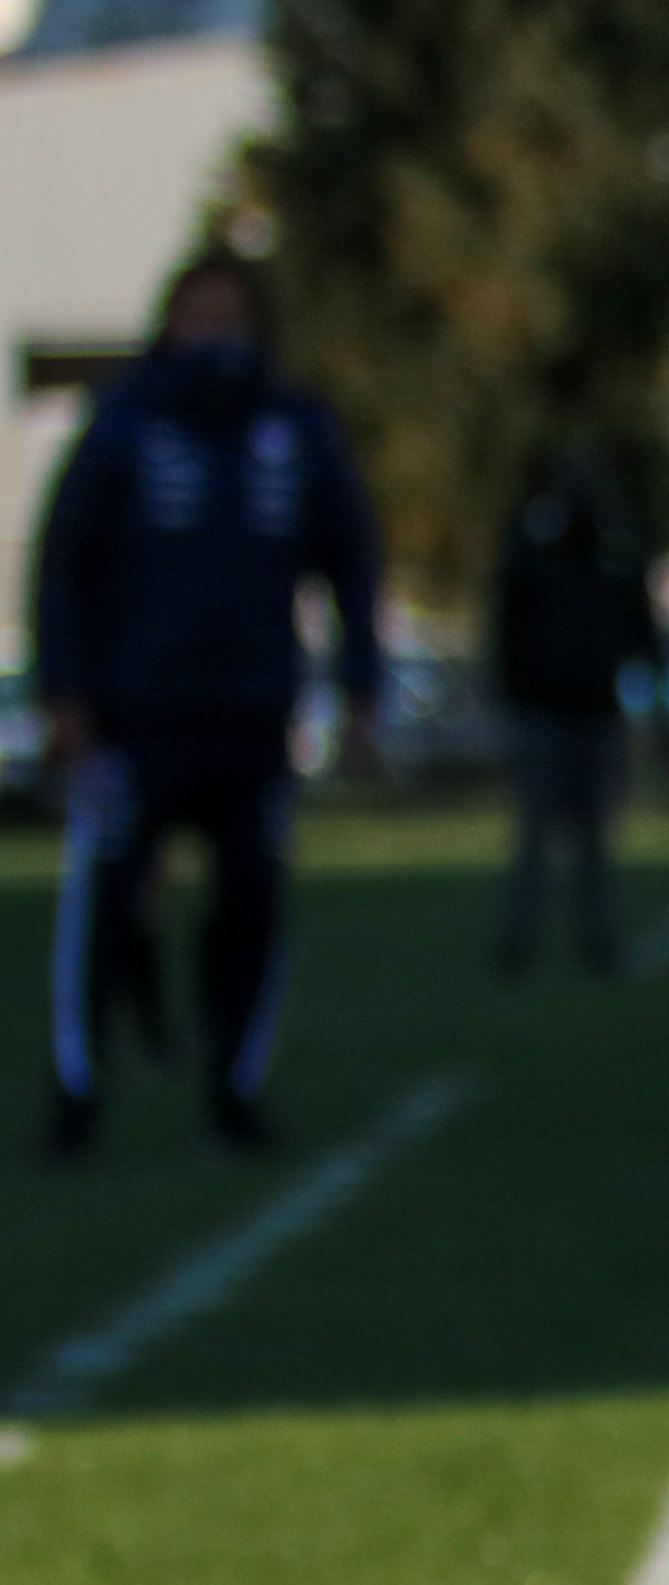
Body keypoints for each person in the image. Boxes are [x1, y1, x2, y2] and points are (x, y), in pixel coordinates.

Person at [28, 245, 380, 1156]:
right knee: (107, 909)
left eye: (235, 316)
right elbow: (63, 564)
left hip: (251, 717)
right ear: (170, 323)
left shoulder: (296, 429)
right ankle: (79, 1093)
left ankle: (234, 1089)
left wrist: (360, 692)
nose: (220, 335)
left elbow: (351, 560)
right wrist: (63, 693)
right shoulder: (124, 423)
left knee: (251, 907)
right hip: (136, 717)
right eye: (203, 315)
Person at [487, 442, 660, 977]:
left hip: (593, 708)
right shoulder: (534, 545)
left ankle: (595, 937)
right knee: (539, 831)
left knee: (591, 835)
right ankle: (522, 938)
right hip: (545, 708)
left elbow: (639, 620)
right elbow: (509, 623)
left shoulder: (613, 548)